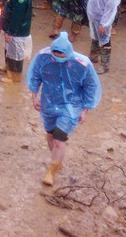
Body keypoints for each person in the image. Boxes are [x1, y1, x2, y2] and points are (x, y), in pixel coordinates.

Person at [27, 32, 101, 186]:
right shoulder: (43, 57)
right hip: (49, 101)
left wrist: (85, 110)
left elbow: (91, 86)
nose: (58, 58)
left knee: (59, 138)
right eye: (56, 55)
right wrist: (34, 97)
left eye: (62, 55)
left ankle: (51, 171)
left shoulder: (82, 64)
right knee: (50, 135)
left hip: (71, 106)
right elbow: (34, 76)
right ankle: (57, 161)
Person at [0, 0, 32, 84]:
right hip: (10, 27)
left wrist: (11, 32)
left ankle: (15, 76)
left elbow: (17, 17)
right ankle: (8, 67)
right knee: (9, 49)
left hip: (17, 31)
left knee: (16, 53)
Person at [86, 0, 120, 74]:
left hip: (102, 20)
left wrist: (104, 24)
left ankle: (105, 65)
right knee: (95, 38)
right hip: (95, 18)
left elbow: (110, 9)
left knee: (105, 42)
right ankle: (93, 56)